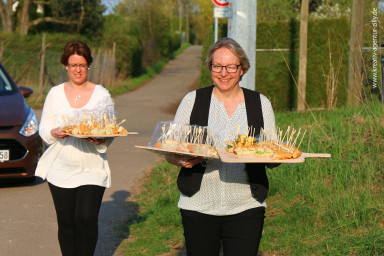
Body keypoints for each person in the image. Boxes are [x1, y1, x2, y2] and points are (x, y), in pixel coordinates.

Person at [165, 37, 279, 256]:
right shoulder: (193, 100)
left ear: (242, 68)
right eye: (217, 66)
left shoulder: (260, 103)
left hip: (246, 205)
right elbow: (170, 149)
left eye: (231, 66)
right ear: (210, 67)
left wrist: (268, 155)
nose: (223, 73)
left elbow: (272, 152)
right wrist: (180, 159)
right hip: (198, 205)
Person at [35, 40, 114, 256]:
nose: (78, 70)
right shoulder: (54, 93)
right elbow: (44, 128)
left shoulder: (102, 95)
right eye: (73, 65)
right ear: (66, 67)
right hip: (61, 167)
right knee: (67, 223)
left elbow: (110, 129)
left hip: (91, 166)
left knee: (86, 218)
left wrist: (100, 138)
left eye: (82, 64)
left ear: (88, 65)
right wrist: (54, 132)